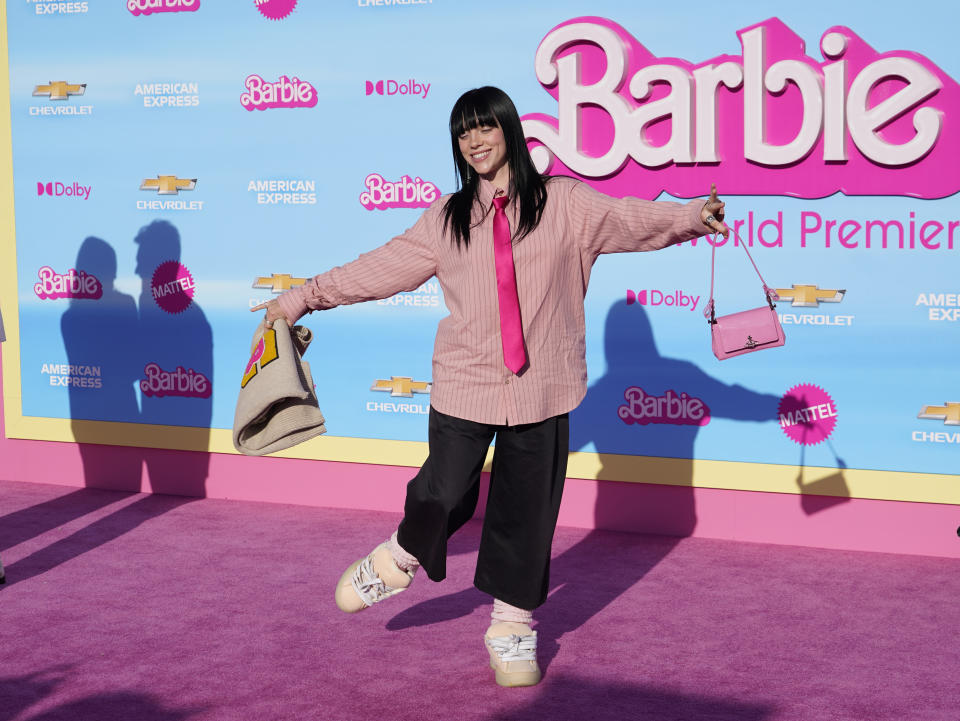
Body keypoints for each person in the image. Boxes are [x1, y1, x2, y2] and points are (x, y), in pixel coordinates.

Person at [252, 86, 729, 687]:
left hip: (544, 386)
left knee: (525, 512)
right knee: (446, 493)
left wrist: (692, 217)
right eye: (463, 132)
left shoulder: (567, 203)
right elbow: (377, 268)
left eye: (485, 127)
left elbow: (632, 219)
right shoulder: (447, 219)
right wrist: (299, 298)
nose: (474, 141)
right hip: (466, 382)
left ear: (510, 131)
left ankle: (511, 624)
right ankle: (401, 555)